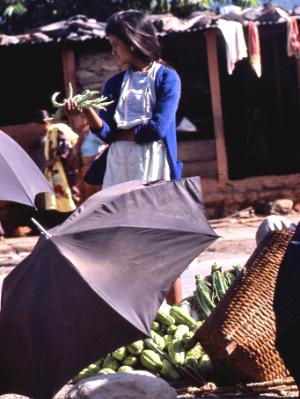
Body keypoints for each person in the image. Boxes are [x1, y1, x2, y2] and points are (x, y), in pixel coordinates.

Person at [65, 10, 183, 304]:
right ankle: (139, 317)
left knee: (163, 246)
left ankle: (178, 312)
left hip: (154, 168)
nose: (112, 50)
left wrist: (120, 133)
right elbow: (106, 133)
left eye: (115, 44)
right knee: (124, 247)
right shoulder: (114, 85)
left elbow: (156, 129)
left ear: (133, 42)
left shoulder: (167, 78)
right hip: (119, 168)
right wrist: (86, 112)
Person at [42, 111, 79, 213]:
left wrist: (51, 161)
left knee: (72, 194)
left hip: (65, 168)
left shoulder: (56, 129)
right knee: (72, 194)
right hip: (70, 167)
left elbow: (64, 148)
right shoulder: (60, 129)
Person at [72, 114, 108, 205]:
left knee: (95, 201)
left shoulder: (93, 131)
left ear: (84, 118)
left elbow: (108, 141)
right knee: (85, 201)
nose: (74, 120)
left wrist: (98, 157)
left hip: (93, 170)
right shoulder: (84, 132)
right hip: (84, 170)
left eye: (77, 117)